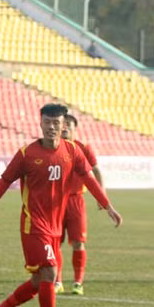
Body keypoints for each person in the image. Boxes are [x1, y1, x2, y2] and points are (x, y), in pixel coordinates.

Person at [0, 104, 122, 307]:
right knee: (50, 271)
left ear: (64, 125)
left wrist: (108, 205)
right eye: (47, 122)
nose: (52, 127)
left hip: (54, 225)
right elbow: (3, 183)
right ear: (40, 123)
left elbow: (89, 179)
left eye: (56, 123)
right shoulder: (26, 154)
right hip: (33, 225)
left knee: (38, 281)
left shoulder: (72, 151)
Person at [55, 114, 104, 295]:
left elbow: (97, 171)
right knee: (54, 243)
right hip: (55, 202)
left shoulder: (84, 148)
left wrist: (101, 195)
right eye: (63, 124)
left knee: (78, 242)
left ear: (75, 128)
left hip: (76, 200)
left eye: (69, 125)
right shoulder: (52, 149)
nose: (65, 127)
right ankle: (57, 281)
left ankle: (78, 282)